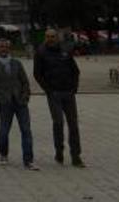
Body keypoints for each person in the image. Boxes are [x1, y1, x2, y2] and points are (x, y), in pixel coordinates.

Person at [33, 28, 83, 167]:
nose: (51, 38)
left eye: (53, 36)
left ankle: (76, 155)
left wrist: (74, 87)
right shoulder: (41, 53)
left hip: (68, 92)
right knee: (58, 123)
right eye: (48, 36)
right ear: (45, 37)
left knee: (73, 124)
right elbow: (37, 74)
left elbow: (75, 70)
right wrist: (48, 90)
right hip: (54, 93)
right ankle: (59, 151)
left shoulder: (65, 51)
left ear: (57, 37)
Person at [0, 37, 37, 170]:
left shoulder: (17, 63)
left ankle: (28, 160)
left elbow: (25, 81)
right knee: (4, 131)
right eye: (1, 46)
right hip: (5, 103)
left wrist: (25, 96)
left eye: (6, 46)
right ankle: (3, 153)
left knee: (26, 130)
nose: (4, 49)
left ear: (9, 48)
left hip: (20, 102)